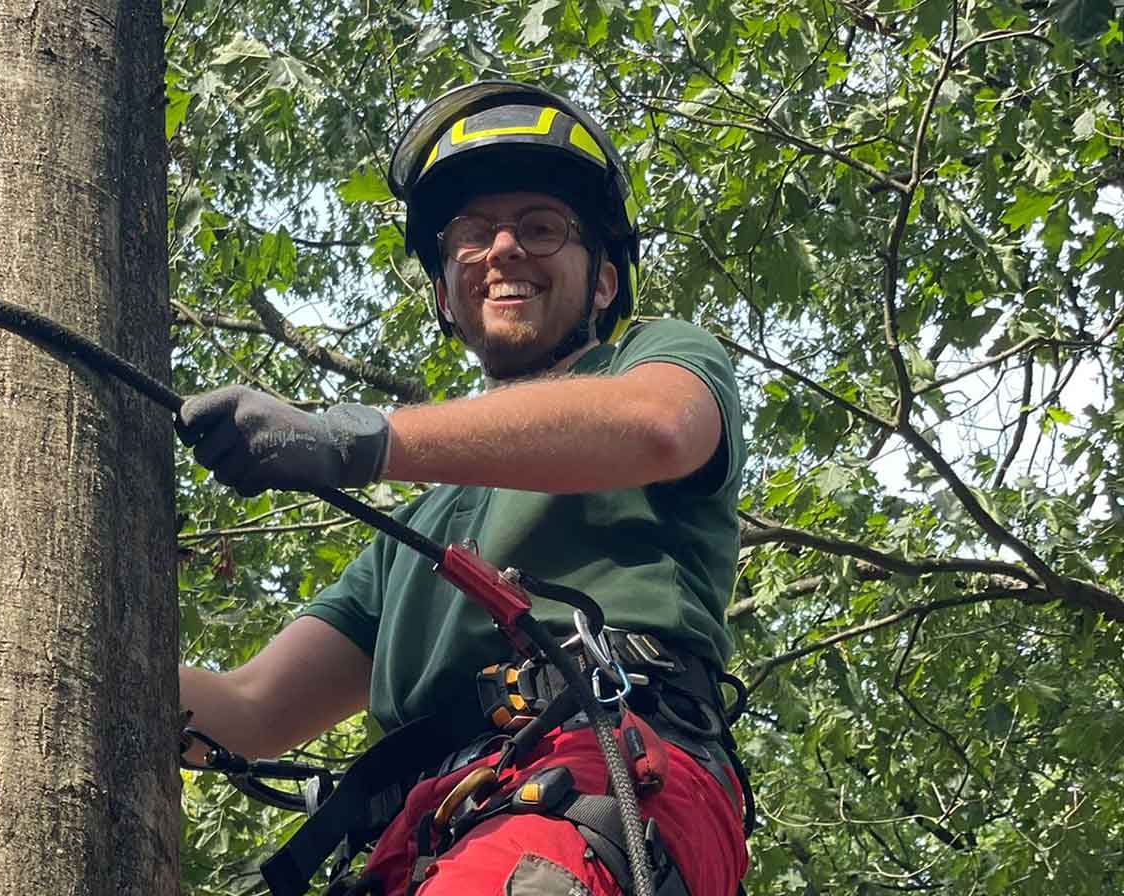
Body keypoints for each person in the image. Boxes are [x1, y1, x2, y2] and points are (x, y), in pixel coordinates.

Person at [178, 81, 750, 896]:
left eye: (542, 228)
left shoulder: (655, 358)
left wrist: (354, 439)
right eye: (473, 235)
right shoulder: (413, 537)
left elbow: (660, 427)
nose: (505, 248)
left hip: (600, 771)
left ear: (604, 283)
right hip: (428, 830)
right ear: (446, 294)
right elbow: (253, 710)